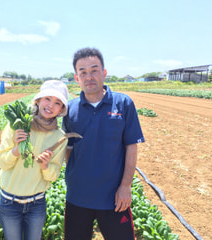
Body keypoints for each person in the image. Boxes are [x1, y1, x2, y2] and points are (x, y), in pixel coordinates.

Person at [62, 47, 145, 240]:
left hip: (114, 198)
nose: (89, 76)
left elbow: (131, 146)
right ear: (76, 78)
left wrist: (125, 186)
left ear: (104, 73)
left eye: (94, 70)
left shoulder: (123, 104)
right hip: (78, 197)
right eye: (83, 72)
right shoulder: (70, 109)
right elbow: (69, 150)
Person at [0, 80, 69, 240]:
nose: (51, 105)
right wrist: (15, 150)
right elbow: (2, 162)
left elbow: (53, 175)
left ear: (61, 109)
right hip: (9, 202)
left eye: (57, 103)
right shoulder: (17, 126)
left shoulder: (60, 137)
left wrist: (45, 166)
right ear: (38, 100)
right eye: (47, 99)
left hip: (37, 204)